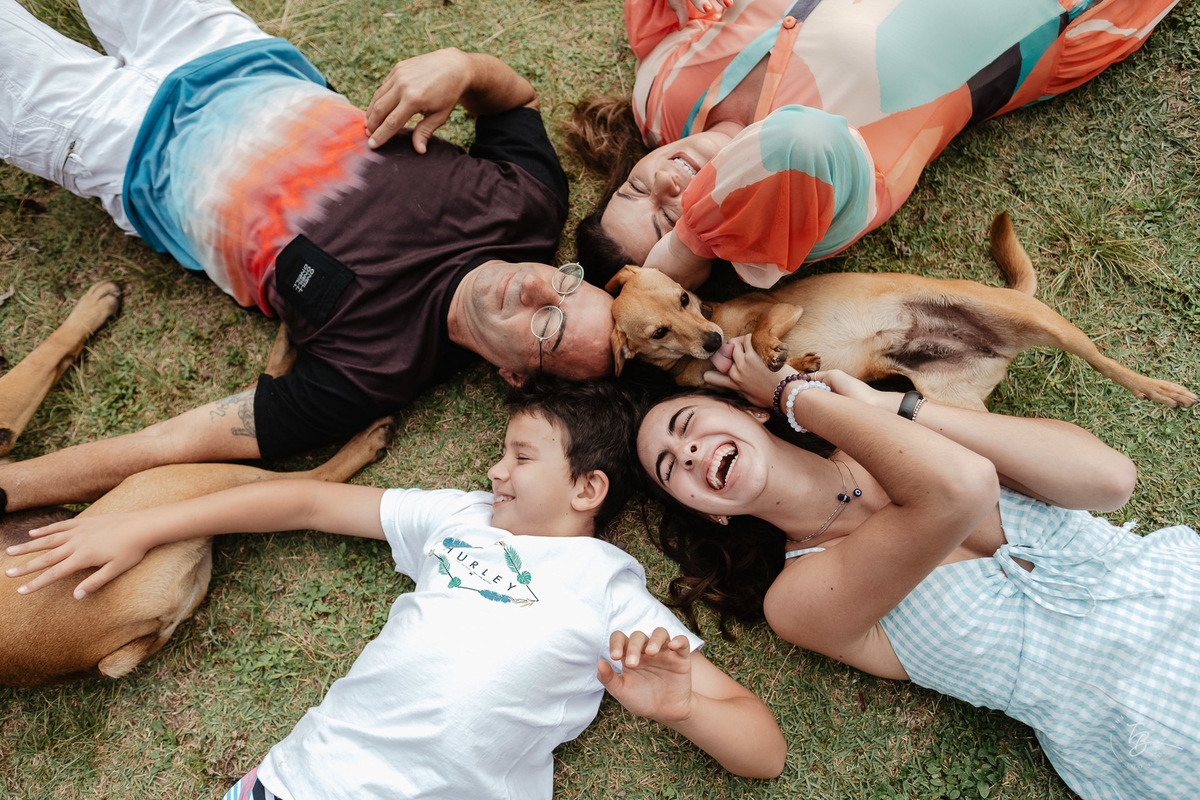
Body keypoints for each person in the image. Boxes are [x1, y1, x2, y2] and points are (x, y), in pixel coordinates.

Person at [5, 375, 787, 798]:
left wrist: (683, 710)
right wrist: (145, 526)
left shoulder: (613, 594)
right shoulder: (460, 518)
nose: (494, 471)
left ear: (587, 489)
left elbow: (765, 750)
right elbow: (306, 501)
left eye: (518, 457)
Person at [0, 0, 614, 512]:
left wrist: (12, 488)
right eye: (567, 286)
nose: (536, 288)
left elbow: (171, 442)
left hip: (114, 142)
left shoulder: (366, 378)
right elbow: (515, 103)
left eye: (549, 326)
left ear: (514, 374)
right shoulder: (530, 207)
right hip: (226, 49)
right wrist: (461, 66)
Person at [633, 335, 1199, 800]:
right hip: (1147, 730)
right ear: (710, 516)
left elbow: (1108, 480)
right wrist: (796, 395)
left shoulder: (904, 430)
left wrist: (885, 406)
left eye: (688, 425)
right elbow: (958, 488)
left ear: (750, 412)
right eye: (669, 467)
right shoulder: (796, 601)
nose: (686, 453)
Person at [567, 0, 1181, 289]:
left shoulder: (662, 101)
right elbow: (800, 139)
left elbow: (665, 20)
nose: (667, 183)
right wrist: (696, 241)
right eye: (669, 216)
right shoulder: (812, 213)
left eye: (635, 186)